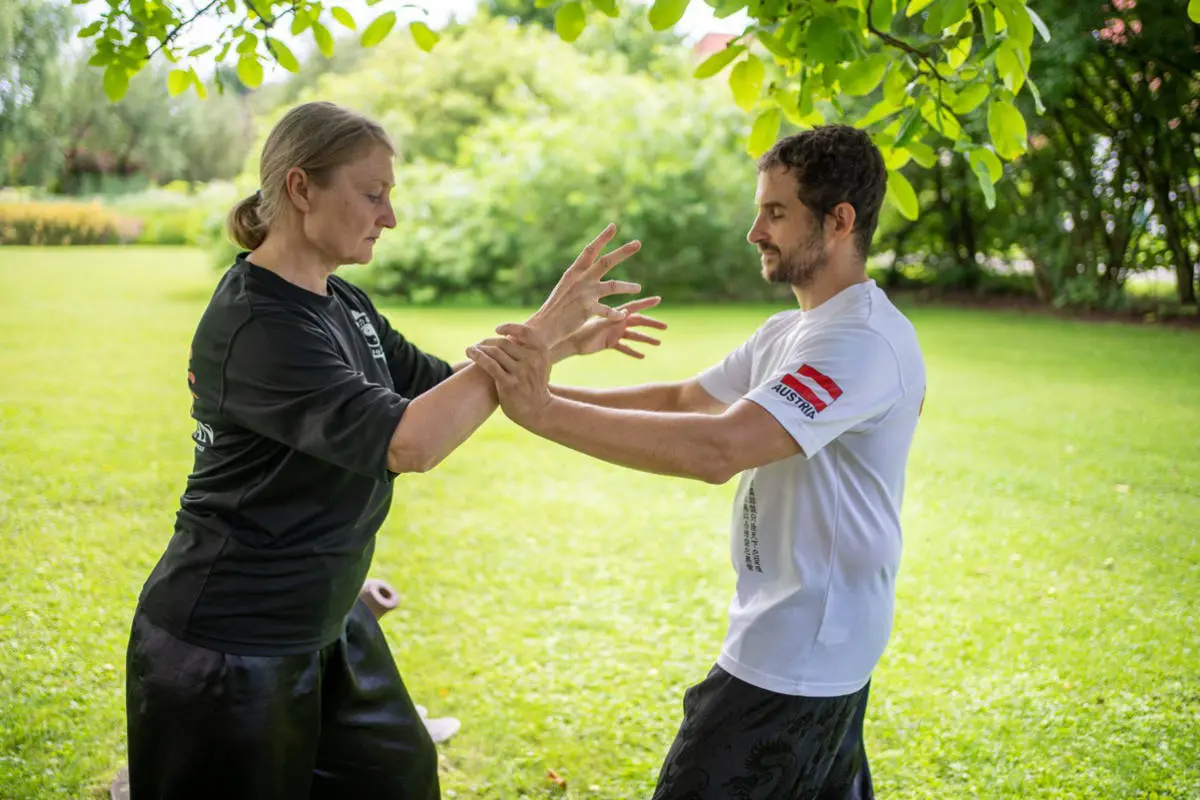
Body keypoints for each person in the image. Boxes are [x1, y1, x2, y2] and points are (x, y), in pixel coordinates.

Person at [124, 100, 663, 799]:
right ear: (299, 188)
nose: (390, 217)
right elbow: (413, 441)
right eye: (373, 194)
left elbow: (444, 390)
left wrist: (557, 343)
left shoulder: (341, 304)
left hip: (328, 618)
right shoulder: (257, 325)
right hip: (232, 645)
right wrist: (541, 325)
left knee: (397, 778)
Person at [465, 125, 927, 799]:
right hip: (813, 647)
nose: (754, 231)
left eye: (775, 212)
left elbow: (721, 448)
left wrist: (541, 411)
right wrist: (535, 388)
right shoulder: (793, 331)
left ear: (839, 221)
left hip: (796, 657)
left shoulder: (859, 342)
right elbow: (687, 399)